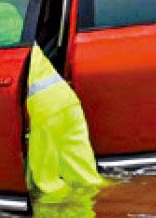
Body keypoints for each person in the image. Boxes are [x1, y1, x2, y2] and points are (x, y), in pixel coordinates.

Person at [25, 44, 108, 195]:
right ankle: (109, 206)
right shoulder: (20, 25)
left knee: (47, 185)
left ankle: (57, 217)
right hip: (67, 100)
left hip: (42, 108)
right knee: (87, 179)